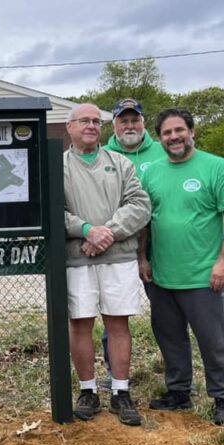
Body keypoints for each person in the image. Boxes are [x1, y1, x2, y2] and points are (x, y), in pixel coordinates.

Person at [140, 108, 224, 426]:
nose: (174, 137)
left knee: (213, 341)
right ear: (160, 138)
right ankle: (179, 393)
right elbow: (144, 221)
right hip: (161, 276)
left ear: (192, 131)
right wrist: (143, 258)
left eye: (179, 130)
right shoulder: (152, 172)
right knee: (170, 339)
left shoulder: (216, 167)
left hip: (203, 277)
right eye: (167, 133)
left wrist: (223, 262)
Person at [63, 103, 151, 426]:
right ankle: (87, 390)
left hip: (118, 258)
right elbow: (52, 213)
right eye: (83, 120)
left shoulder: (121, 163)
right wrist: (86, 230)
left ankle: (120, 392)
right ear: (68, 127)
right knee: (81, 324)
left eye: (96, 121)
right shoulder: (58, 167)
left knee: (118, 324)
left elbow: (140, 206)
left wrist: (107, 233)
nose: (91, 125)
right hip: (77, 260)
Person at [98, 98, 167, 389]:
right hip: (115, 249)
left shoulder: (164, 152)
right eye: (123, 120)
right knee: (113, 315)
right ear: (113, 125)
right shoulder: (101, 155)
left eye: (134, 119)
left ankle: (176, 377)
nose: (130, 125)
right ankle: (115, 374)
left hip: (161, 249)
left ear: (143, 122)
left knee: (166, 316)